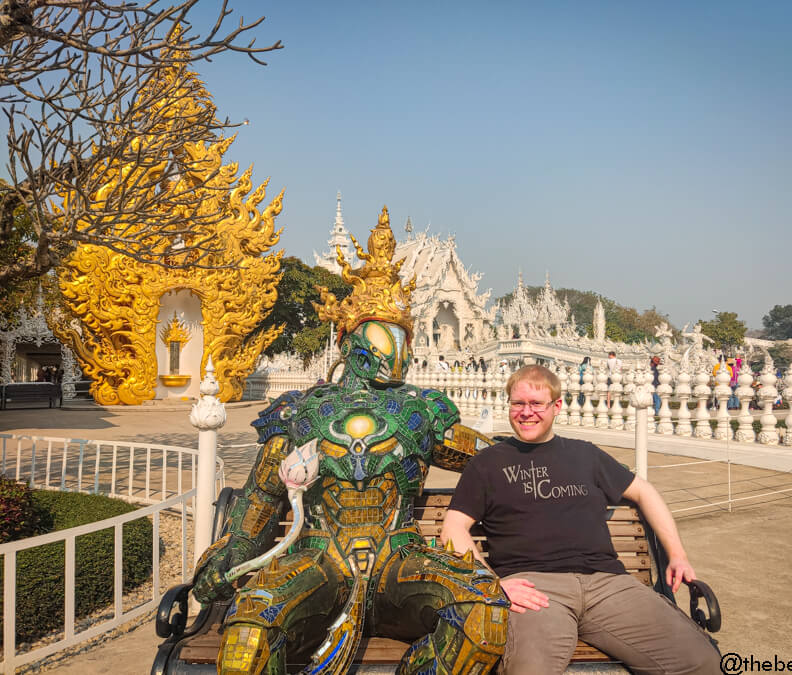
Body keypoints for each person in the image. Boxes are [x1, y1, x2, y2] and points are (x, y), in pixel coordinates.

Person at [192, 208, 508, 674]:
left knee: (485, 615)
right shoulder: (301, 411)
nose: (392, 350)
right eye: (383, 336)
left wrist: (553, 458)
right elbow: (262, 496)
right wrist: (233, 550)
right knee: (247, 638)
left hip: (400, 561)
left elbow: (491, 460)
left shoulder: (422, 411)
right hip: (318, 559)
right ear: (351, 340)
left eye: (401, 337)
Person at [442, 365, 720, 675]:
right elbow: (454, 528)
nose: (526, 412)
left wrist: (677, 556)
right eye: (517, 403)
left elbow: (644, 492)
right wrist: (492, 584)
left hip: (608, 584)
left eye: (536, 404)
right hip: (535, 588)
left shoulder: (585, 455)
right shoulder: (487, 463)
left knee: (703, 662)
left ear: (556, 406)